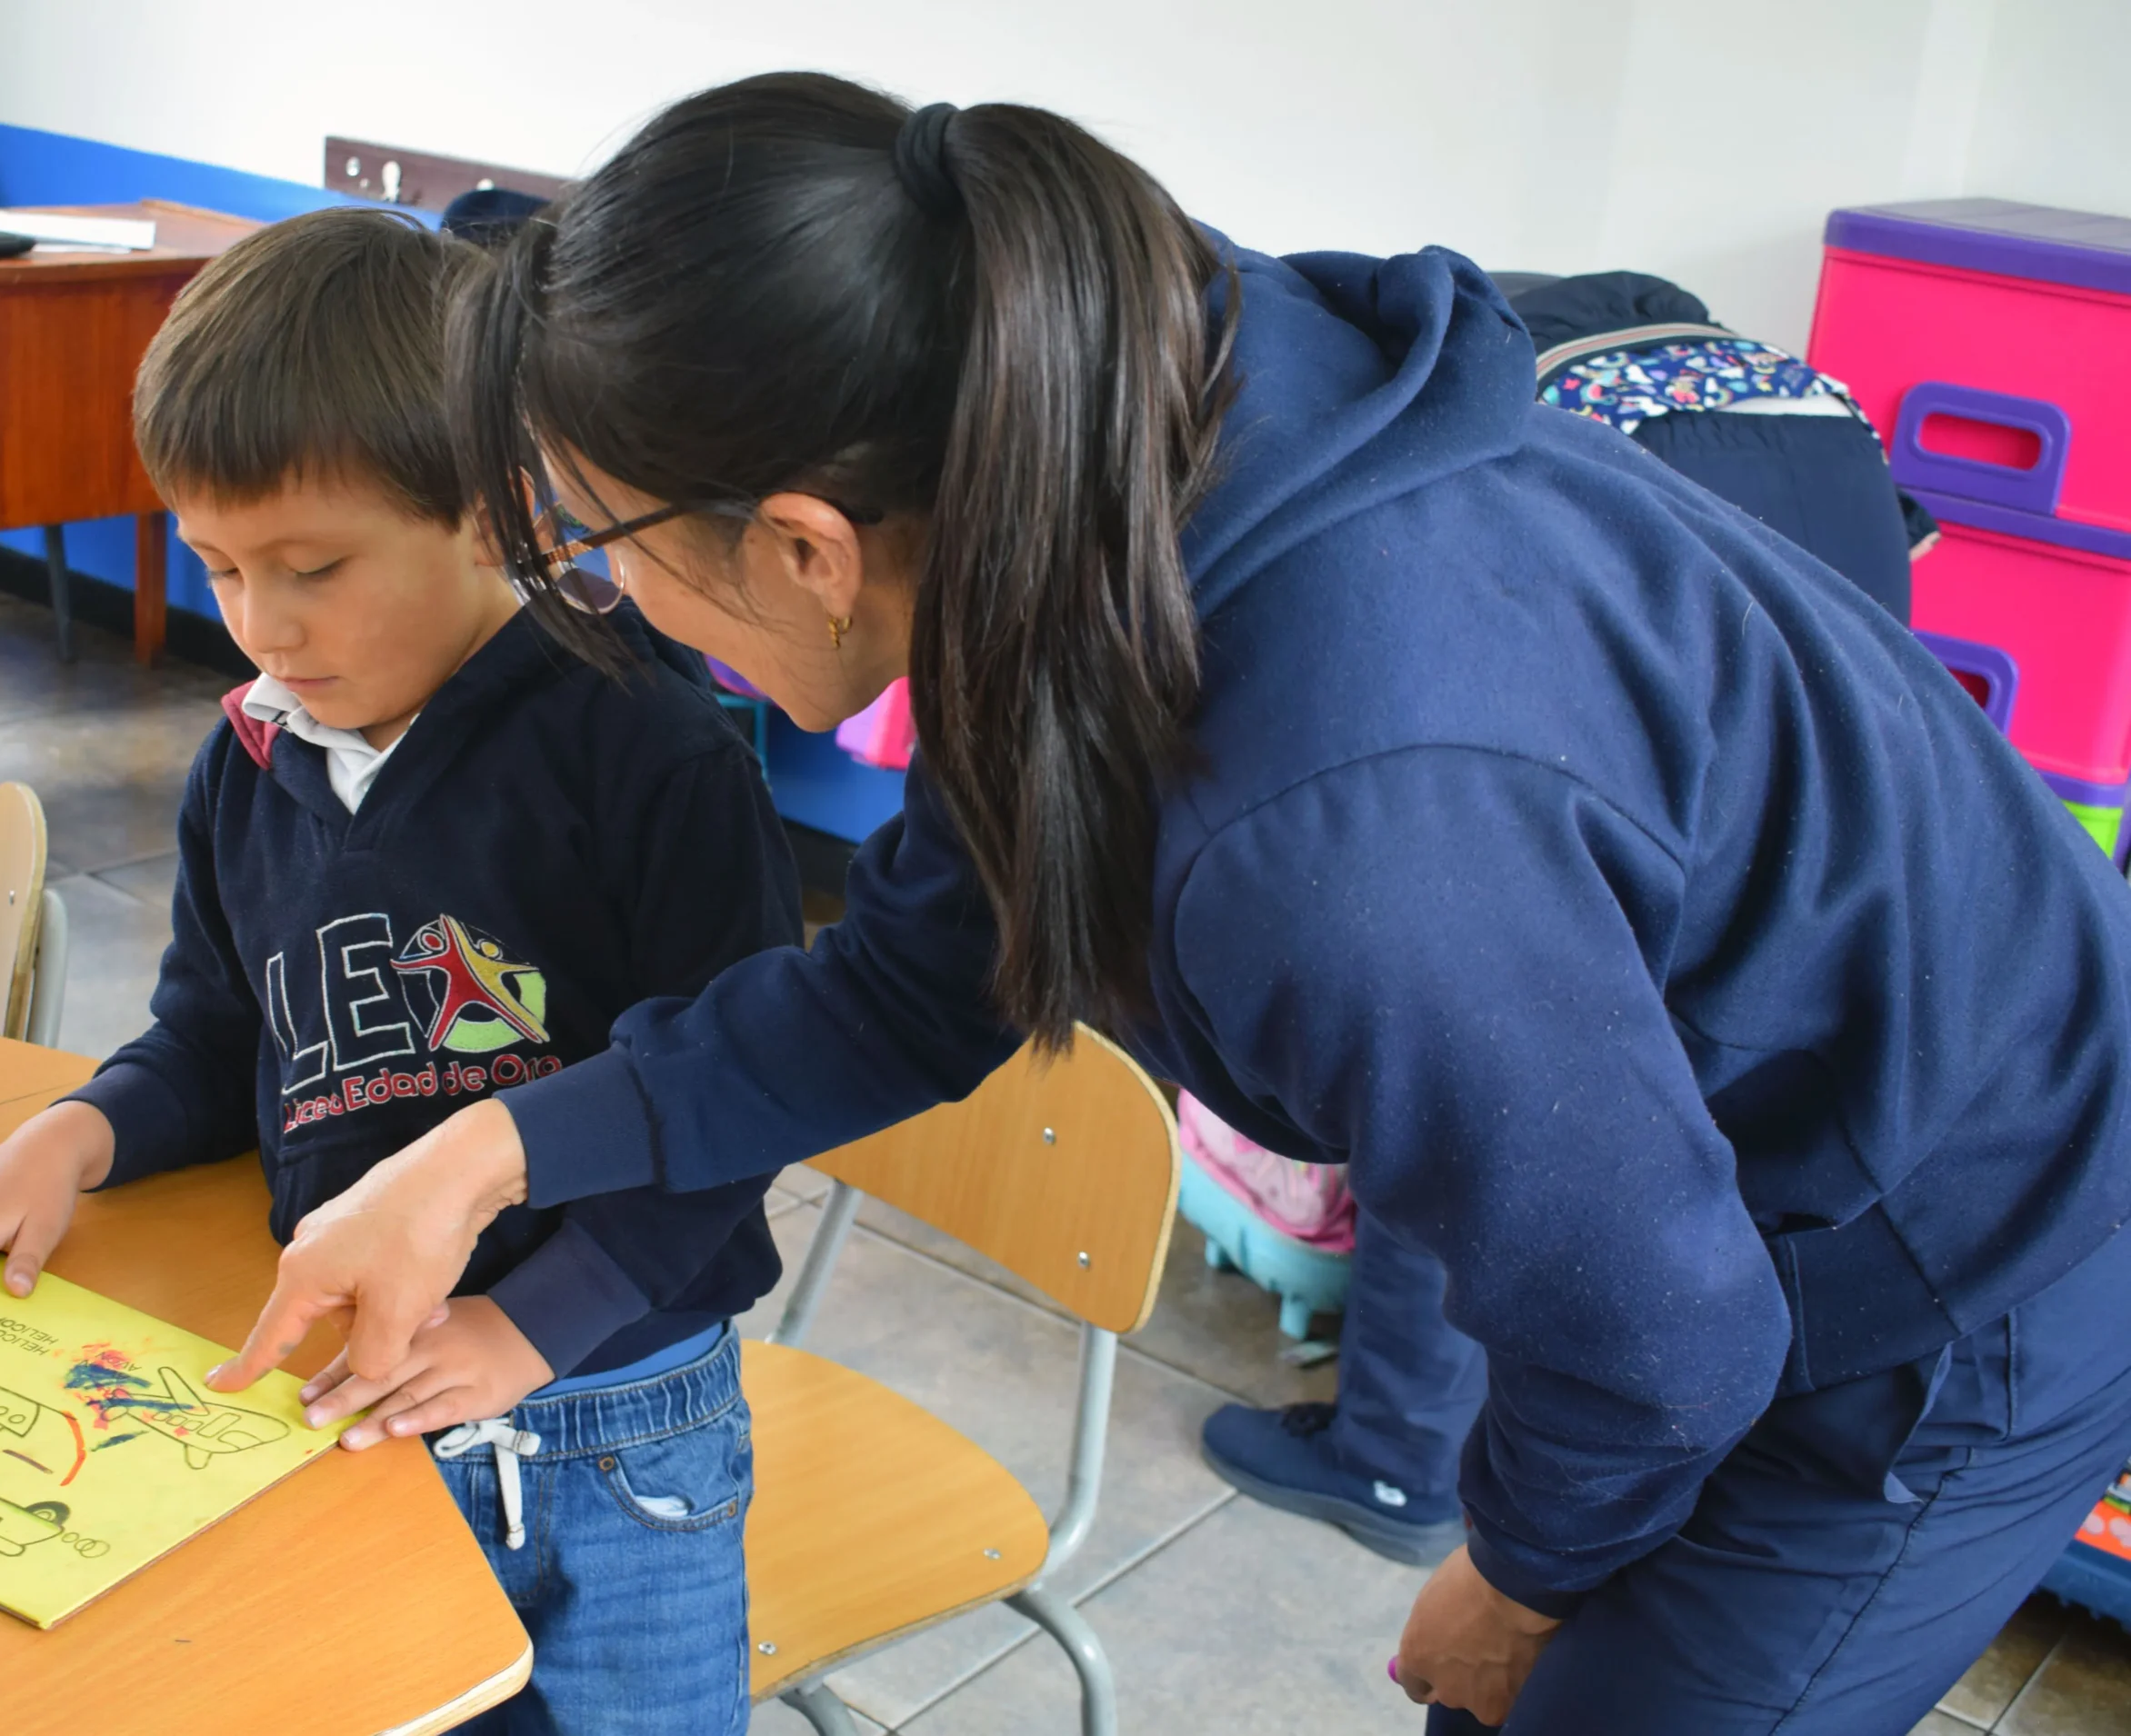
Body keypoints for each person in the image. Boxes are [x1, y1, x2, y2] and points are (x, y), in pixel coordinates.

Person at [190, 76, 2131, 1733]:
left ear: (800, 548)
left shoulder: (1324, 820)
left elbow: (1647, 1336)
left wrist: (1524, 1573)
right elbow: (909, 982)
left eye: (592, 553)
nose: (587, 606)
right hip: (1717, 1186)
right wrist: (493, 1152)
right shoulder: (1053, 457)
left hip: (1967, 1245)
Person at [0, 208, 797, 1736]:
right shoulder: (250, 760)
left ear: (491, 511)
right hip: (348, 1387)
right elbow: (218, 1036)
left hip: (607, 1415)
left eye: (313, 567)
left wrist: (532, 1327)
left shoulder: (649, 755)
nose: (263, 626)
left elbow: (730, 1113)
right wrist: (72, 1133)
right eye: (217, 566)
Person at [1199, 265, 1946, 1571]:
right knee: (1648, 1118)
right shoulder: (1777, 385)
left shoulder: (1465, 417)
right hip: (1815, 727)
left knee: (1469, 1068)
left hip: (1641, 667)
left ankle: (1390, 1461)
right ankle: (1675, 1436)